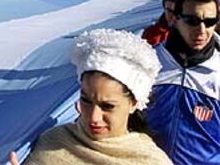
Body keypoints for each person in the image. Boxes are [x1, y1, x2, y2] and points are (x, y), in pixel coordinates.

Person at [10, 29, 172, 165]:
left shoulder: (150, 161)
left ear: (133, 103)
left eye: (107, 106)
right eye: (86, 101)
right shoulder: (52, 141)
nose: (94, 117)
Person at [146, 0, 220, 165]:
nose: (202, 30)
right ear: (173, 18)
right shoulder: (146, 62)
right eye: (192, 21)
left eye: (210, 22)